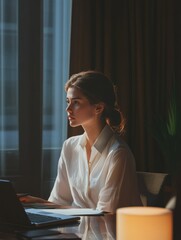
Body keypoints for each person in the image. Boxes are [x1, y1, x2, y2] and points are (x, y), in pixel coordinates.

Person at [20, 70, 142, 212]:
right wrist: (39, 203)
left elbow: (105, 214)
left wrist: (42, 203)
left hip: (111, 233)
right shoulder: (70, 146)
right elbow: (59, 201)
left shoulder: (118, 154)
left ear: (98, 108)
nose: (68, 109)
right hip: (76, 231)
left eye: (76, 102)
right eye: (68, 101)